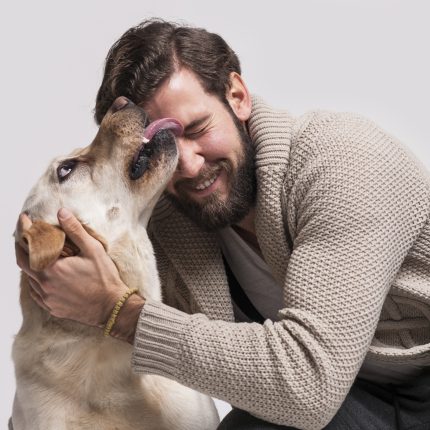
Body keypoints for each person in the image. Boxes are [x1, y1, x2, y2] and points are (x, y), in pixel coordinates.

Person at [15, 19, 430, 430]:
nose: (191, 166)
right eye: (164, 144)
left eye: (197, 129)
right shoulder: (167, 221)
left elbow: (308, 384)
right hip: (358, 400)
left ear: (238, 96)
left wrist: (119, 312)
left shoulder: (344, 162)